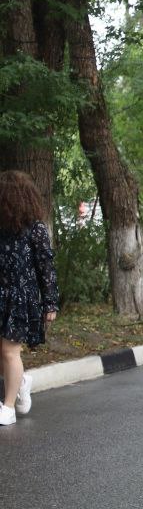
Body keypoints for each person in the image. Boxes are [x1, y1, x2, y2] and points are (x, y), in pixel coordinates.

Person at [0, 171, 59, 427]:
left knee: (9, 351)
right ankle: (21, 382)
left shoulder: (35, 228)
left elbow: (46, 267)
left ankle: (9, 407)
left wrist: (50, 303)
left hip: (20, 299)